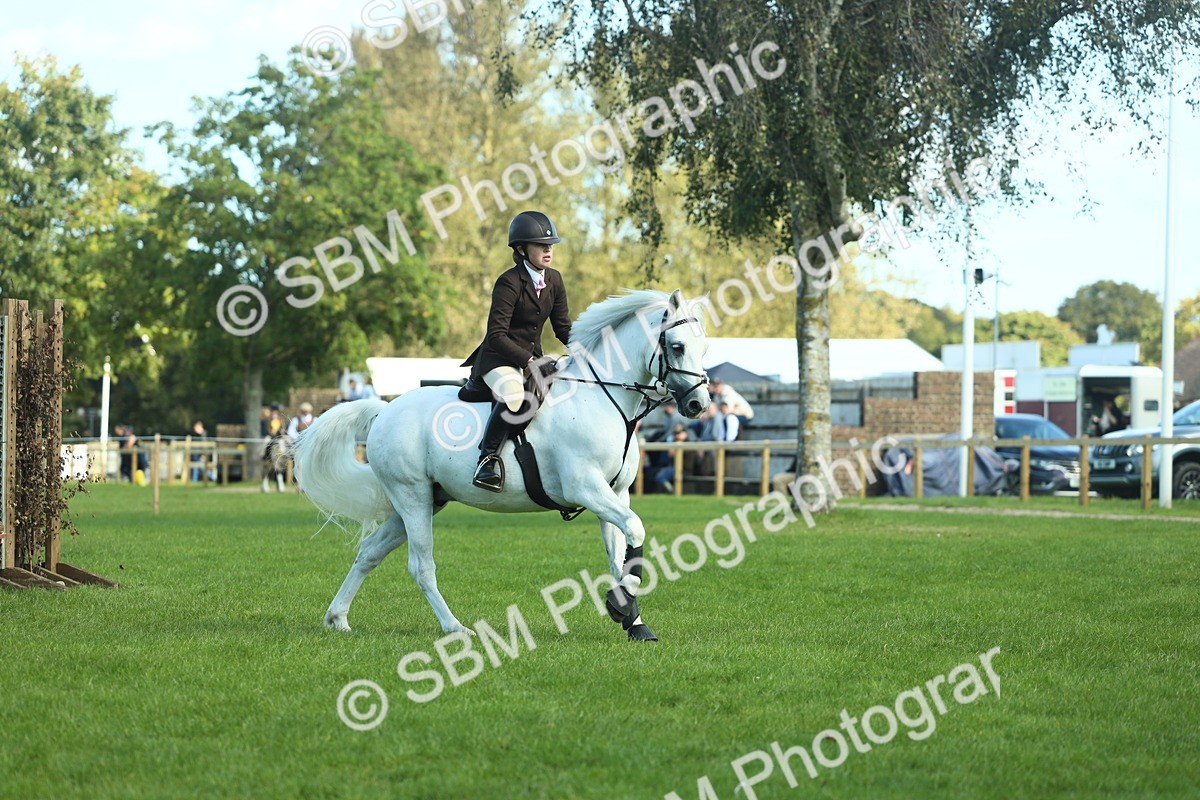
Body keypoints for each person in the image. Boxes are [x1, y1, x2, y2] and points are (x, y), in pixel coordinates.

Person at [461, 210, 572, 492]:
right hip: (498, 358)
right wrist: (528, 360)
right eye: (541, 245)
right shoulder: (509, 282)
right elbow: (496, 336)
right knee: (514, 393)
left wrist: (588, 350)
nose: (548, 250)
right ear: (521, 249)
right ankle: (487, 459)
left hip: (531, 358)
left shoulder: (555, 280)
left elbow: (563, 328)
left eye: (550, 245)